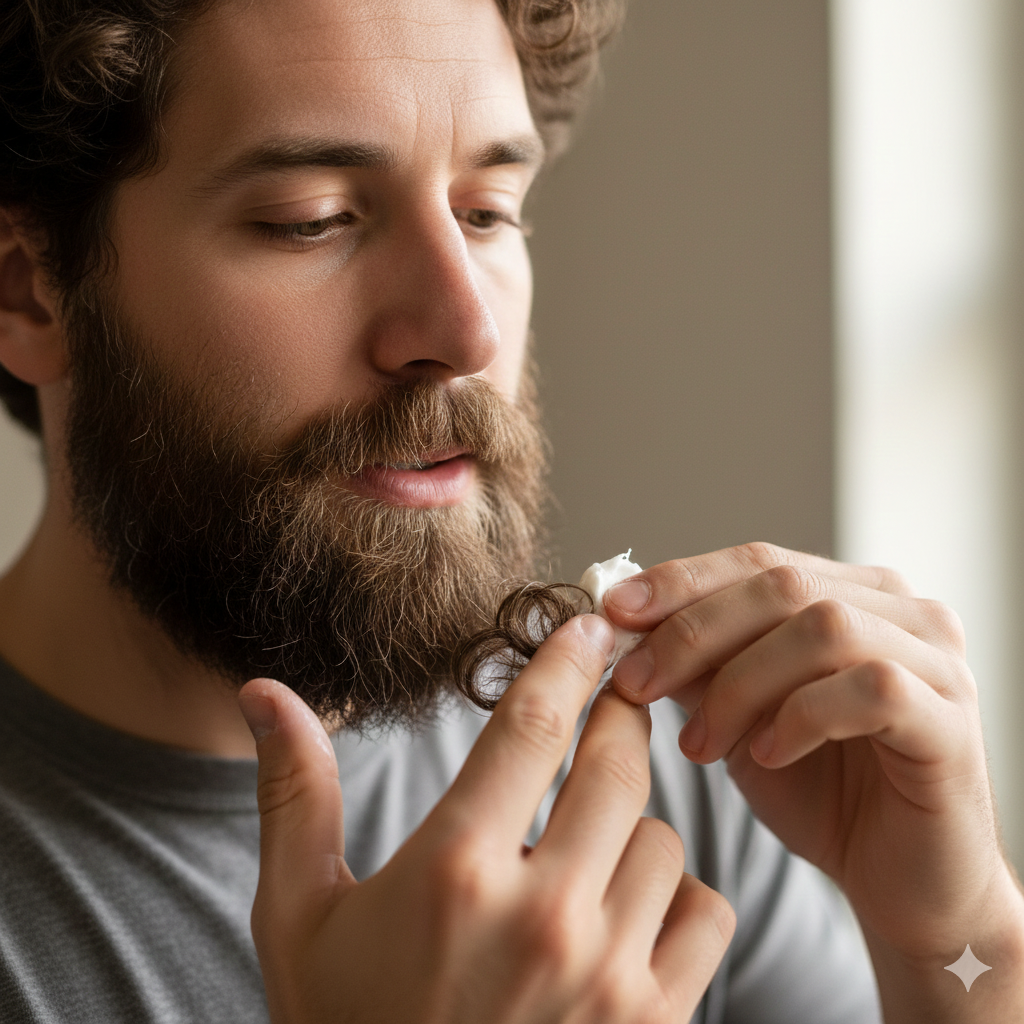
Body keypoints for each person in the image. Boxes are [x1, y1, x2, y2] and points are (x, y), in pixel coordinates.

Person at [0, 0, 1021, 1021]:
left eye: (487, 210)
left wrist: (953, 942)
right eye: (310, 218)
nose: (466, 327)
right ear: (27, 293)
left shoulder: (666, 758)